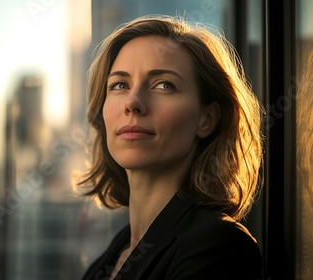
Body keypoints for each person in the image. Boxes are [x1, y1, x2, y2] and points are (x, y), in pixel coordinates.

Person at [78, 16, 263, 280]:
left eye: (164, 85)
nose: (133, 102)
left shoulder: (220, 246)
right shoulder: (119, 247)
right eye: (120, 85)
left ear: (207, 119)